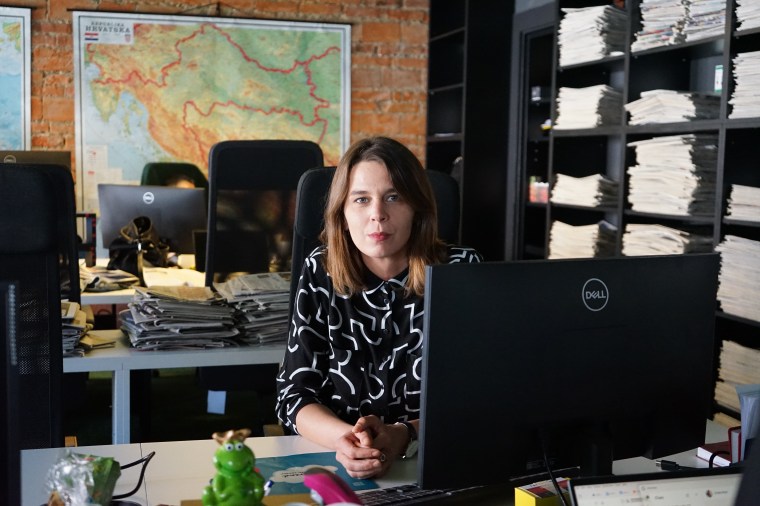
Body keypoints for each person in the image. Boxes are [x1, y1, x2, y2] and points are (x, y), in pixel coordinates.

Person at [275, 136, 482, 479]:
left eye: (393, 197)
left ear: (417, 208)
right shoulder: (319, 270)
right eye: (361, 199)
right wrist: (346, 441)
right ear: (341, 213)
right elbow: (294, 395)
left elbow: (479, 395)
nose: (377, 215)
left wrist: (404, 434)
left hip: (433, 462)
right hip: (337, 462)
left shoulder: (459, 271)